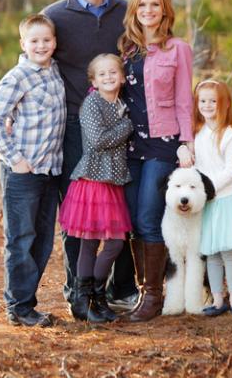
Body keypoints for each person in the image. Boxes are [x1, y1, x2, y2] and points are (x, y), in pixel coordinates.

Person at [43, 0, 138, 311]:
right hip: (75, 130)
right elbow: (36, 56)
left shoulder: (125, 12)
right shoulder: (55, 16)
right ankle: (77, 292)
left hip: (121, 123)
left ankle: (118, 289)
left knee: (121, 210)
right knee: (78, 215)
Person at [0, 14, 66, 328]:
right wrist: (15, 158)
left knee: (42, 240)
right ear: (23, 44)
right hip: (23, 172)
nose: (41, 46)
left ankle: (27, 305)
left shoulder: (54, 71)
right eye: (34, 41)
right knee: (20, 239)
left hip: (50, 170)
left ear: (54, 43)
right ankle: (17, 307)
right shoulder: (17, 77)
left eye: (46, 40)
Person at [120, 0, 194, 322]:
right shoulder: (127, 50)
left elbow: (183, 100)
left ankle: (153, 297)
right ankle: (141, 292)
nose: (148, 11)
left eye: (155, 5)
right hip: (129, 145)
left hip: (162, 145)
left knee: (149, 217)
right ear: (134, 10)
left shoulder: (177, 48)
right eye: (142, 5)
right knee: (134, 220)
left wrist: (186, 144)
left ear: (165, 9)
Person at [58, 54, 133, 323]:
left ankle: (98, 297)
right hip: (92, 181)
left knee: (114, 243)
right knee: (89, 244)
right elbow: (99, 140)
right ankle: (82, 301)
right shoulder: (91, 103)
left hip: (113, 183)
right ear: (94, 81)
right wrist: (126, 126)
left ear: (122, 77)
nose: (108, 77)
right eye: (102, 74)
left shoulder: (123, 103)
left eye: (113, 72)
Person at [183, 79, 232, 316]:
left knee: (228, 251)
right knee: (210, 252)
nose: (207, 105)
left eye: (213, 101)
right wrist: (182, 150)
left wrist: (209, 187)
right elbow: (193, 159)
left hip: (225, 200)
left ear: (224, 104)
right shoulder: (199, 133)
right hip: (207, 202)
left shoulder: (229, 135)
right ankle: (216, 299)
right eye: (202, 100)